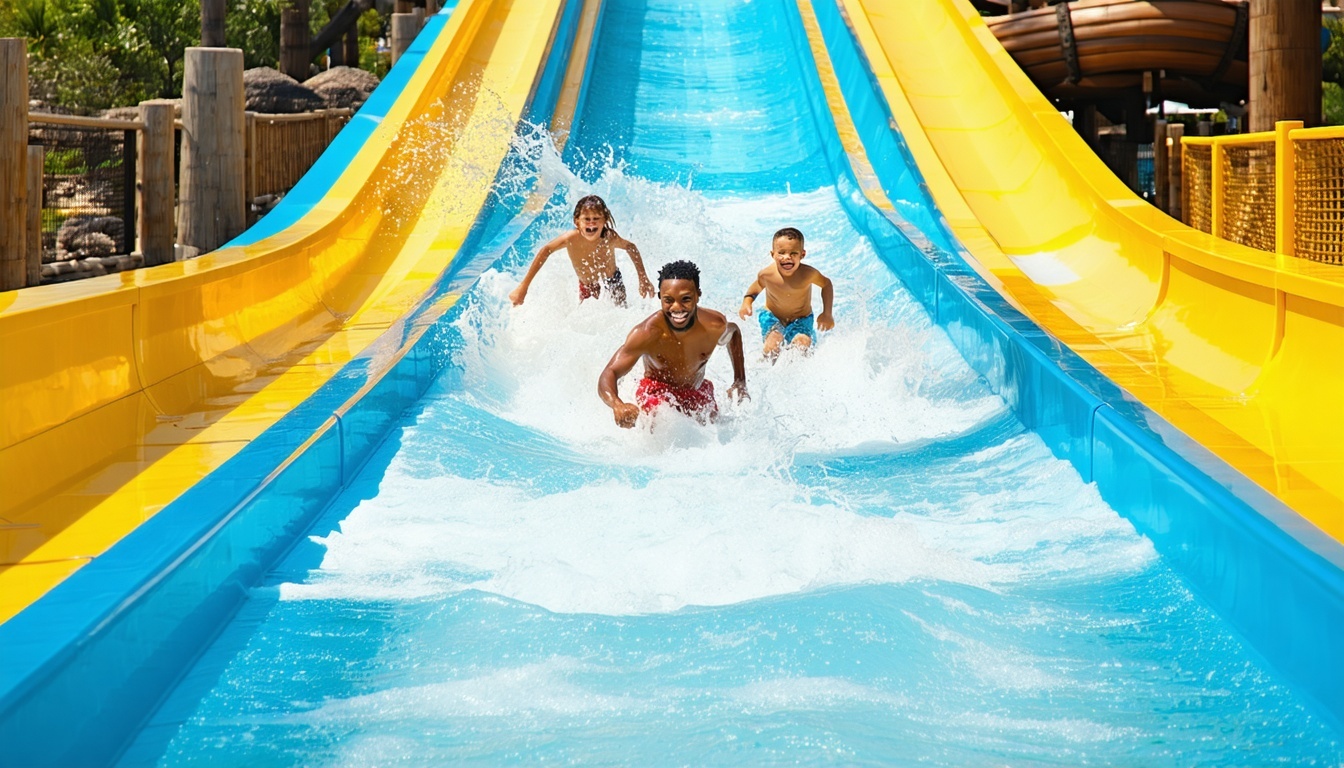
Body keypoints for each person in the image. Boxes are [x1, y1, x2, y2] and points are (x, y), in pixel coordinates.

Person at [598, 260, 748, 428]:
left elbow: (733, 333)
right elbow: (610, 372)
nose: (677, 308)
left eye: (685, 299)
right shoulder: (647, 333)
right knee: (661, 422)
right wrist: (617, 405)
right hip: (657, 393)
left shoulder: (714, 325)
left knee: (716, 434)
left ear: (698, 294)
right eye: (669, 300)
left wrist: (739, 380)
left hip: (696, 392)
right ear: (660, 297)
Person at [509, 195, 655, 306]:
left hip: (612, 281)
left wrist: (643, 278)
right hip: (587, 286)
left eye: (597, 218)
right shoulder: (570, 238)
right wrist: (523, 286)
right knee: (586, 320)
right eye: (587, 219)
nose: (592, 222)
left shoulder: (609, 237)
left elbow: (630, 247)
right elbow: (546, 250)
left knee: (620, 312)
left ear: (604, 221)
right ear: (576, 221)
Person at [738, 226, 834, 360]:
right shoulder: (767, 275)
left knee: (802, 345)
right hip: (772, 316)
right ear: (773, 255)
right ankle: (764, 366)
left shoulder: (808, 274)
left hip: (801, 319)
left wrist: (827, 313)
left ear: (802, 254)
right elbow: (755, 289)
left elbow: (826, 284)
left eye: (793, 253)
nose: (787, 257)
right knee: (773, 343)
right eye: (781, 252)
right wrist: (746, 303)